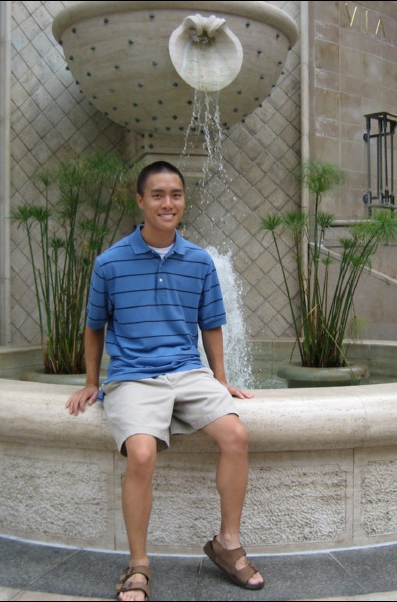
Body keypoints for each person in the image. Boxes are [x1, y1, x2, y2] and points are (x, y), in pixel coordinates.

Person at [66, 160, 264, 601]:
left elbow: (211, 324)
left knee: (235, 434)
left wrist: (221, 380)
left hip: (188, 372)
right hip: (134, 376)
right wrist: (91, 380)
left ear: (183, 201)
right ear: (140, 201)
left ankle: (226, 544)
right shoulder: (109, 263)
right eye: (157, 195)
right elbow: (94, 326)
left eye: (175, 194)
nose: (167, 203)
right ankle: (139, 564)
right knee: (140, 454)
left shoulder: (199, 262)